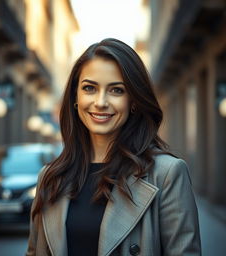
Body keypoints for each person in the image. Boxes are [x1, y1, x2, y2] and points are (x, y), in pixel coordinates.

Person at [26, 38, 201, 256]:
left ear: (134, 101)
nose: (100, 102)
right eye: (89, 88)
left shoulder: (167, 174)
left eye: (116, 90)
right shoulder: (50, 177)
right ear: (75, 97)